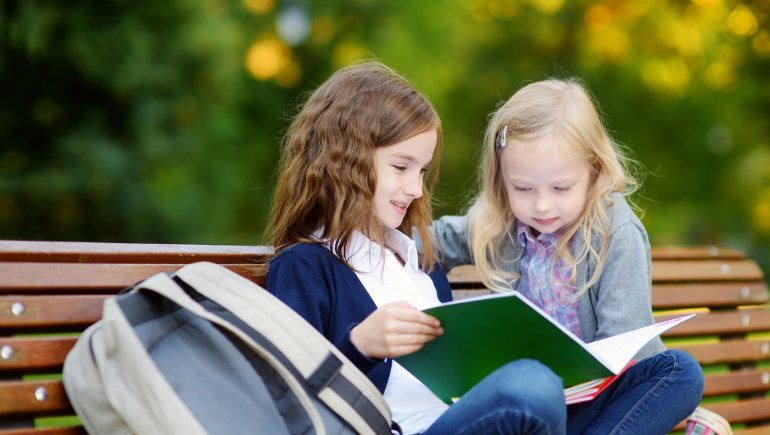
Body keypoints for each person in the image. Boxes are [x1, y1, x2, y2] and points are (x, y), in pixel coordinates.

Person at [265, 61, 568, 435]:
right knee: (532, 384)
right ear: (345, 161)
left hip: (459, 422)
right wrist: (360, 346)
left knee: (662, 370)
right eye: (401, 166)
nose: (417, 189)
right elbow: (288, 405)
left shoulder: (421, 262)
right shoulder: (305, 267)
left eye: (422, 170)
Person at [419, 78, 705, 434]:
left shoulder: (615, 230)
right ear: (501, 179)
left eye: (561, 187)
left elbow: (627, 346)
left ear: (594, 170)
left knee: (682, 371)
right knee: (533, 391)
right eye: (522, 188)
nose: (541, 204)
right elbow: (430, 241)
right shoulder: (496, 224)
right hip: (530, 403)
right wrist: (359, 234)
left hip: (596, 399)